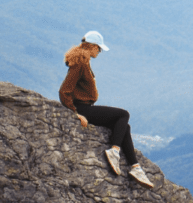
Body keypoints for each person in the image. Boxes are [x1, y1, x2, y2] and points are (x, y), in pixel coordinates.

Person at [59, 30, 154, 188]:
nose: (100, 51)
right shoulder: (80, 63)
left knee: (125, 127)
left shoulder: (84, 60)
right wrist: (75, 113)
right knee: (123, 114)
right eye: (99, 48)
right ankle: (114, 151)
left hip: (85, 107)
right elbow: (64, 91)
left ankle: (136, 168)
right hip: (83, 109)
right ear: (92, 46)